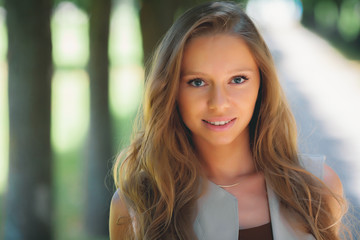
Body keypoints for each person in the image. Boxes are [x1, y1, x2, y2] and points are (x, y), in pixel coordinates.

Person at [109, 1, 350, 239]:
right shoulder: (136, 205)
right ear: (171, 90)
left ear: (262, 84)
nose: (219, 102)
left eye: (237, 79)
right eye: (197, 82)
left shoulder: (318, 188)